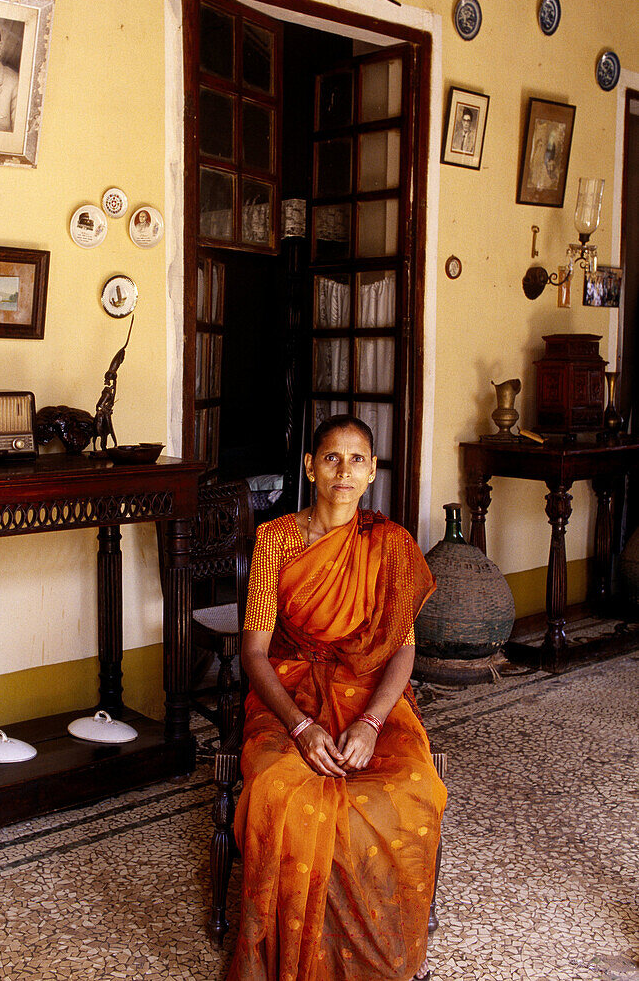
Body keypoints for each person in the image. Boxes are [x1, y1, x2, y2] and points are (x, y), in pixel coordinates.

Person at [228, 414, 447, 981]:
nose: (343, 471)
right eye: (331, 458)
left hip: (369, 696)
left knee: (409, 790)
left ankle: (374, 951)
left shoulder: (391, 545)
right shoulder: (275, 540)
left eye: (356, 460)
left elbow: (402, 648)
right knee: (281, 787)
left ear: (372, 471)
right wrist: (301, 726)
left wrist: (372, 723)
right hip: (289, 693)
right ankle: (301, 951)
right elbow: (254, 652)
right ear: (310, 467)